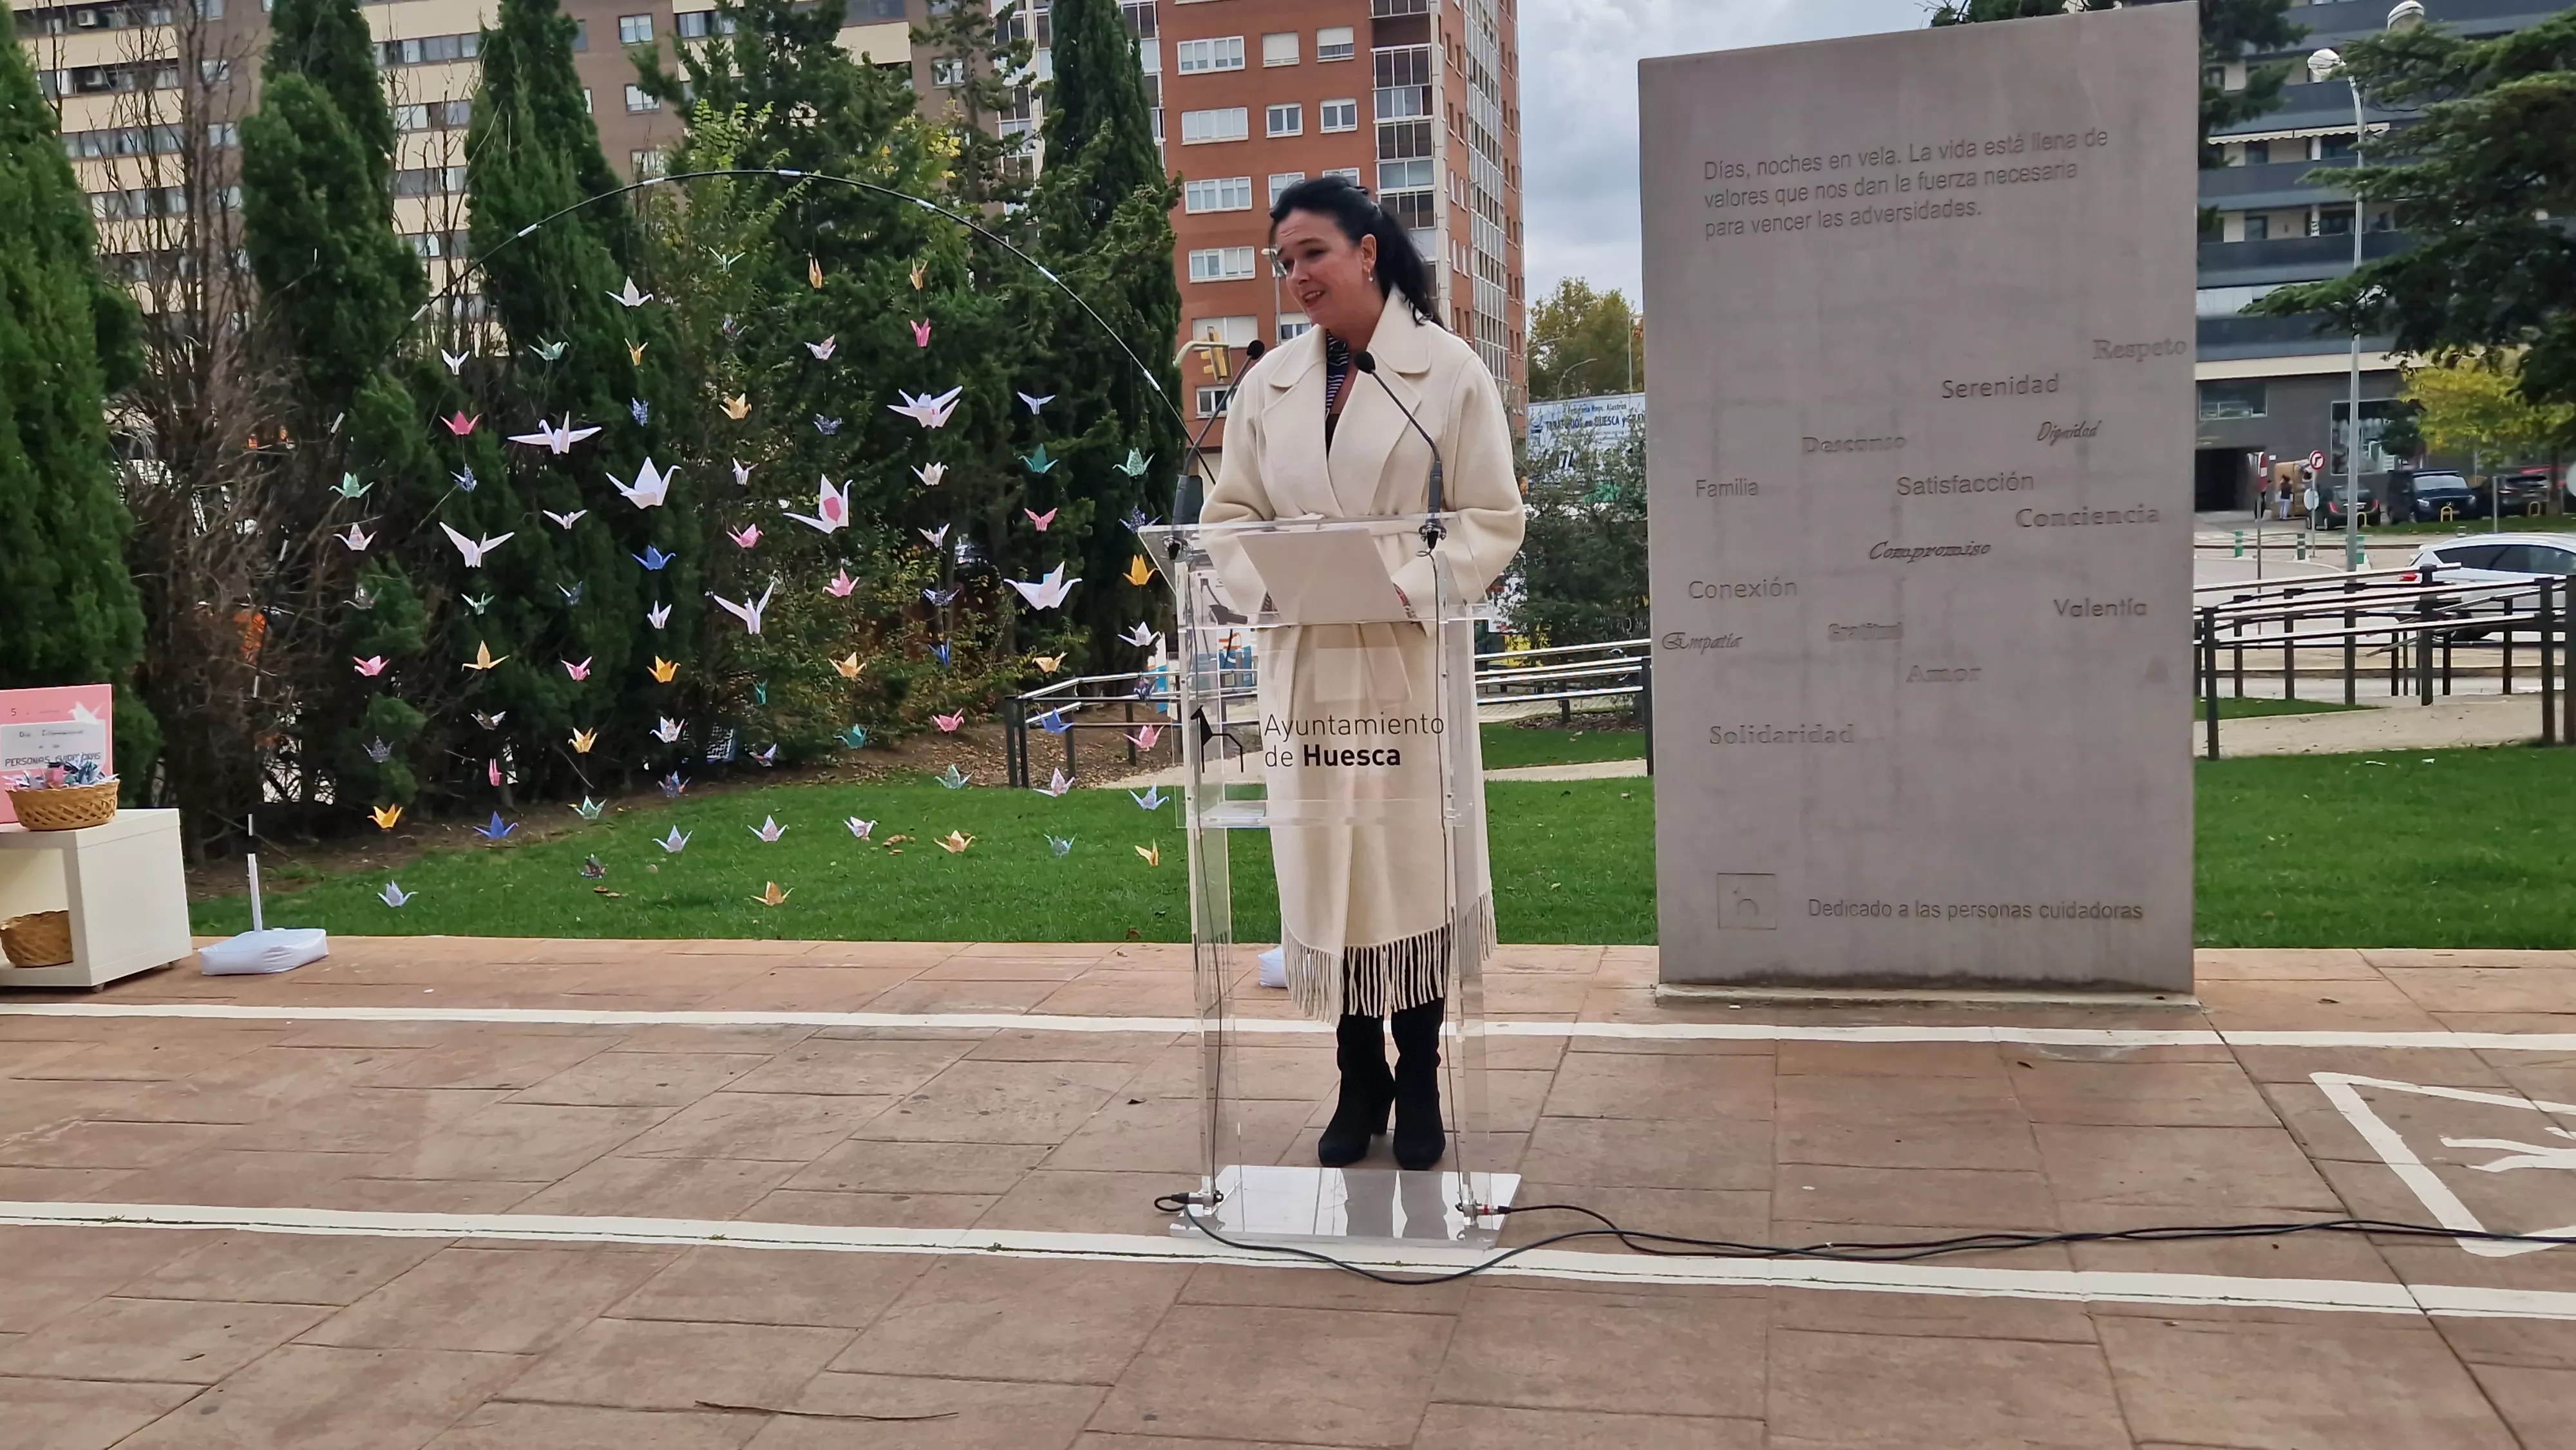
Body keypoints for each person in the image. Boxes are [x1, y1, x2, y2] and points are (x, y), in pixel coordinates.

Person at [1200, 176, 1525, 1172]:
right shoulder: (1270, 386)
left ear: (1368, 251)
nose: (1296, 276)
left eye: (1312, 254)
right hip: (1303, 658)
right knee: (1326, 862)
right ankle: (1357, 1074)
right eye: (1284, 261)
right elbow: (1227, 519)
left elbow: (1491, 517)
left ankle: (1419, 1071)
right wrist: (1274, 583)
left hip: (1401, 656)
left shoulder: (1447, 373)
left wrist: (1412, 582)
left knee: (1407, 864)